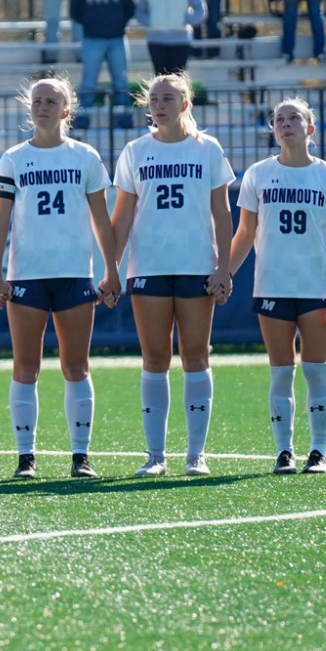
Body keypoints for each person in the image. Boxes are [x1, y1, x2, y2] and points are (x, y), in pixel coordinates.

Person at [0, 77, 121, 480]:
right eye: (37, 100)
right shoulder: (13, 159)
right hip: (26, 275)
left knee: (76, 366)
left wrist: (112, 270)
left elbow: (101, 221)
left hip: (75, 273)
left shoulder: (86, 157)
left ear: (66, 109)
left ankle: (81, 456)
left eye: (51, 100)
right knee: (25, 366)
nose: (42, 106)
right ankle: (26, 456)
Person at [111, 72, 235, 478]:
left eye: (168, 98)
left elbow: (222, 213)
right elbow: (123, 215)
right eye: (154, 98)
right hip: (148, 267)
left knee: (196, 356)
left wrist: (223, 267)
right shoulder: (135, 151)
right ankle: (155, 455)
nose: (159, 104)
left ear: (186, 104)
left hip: (197, 266)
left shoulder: (208, 149)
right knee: (155, 358)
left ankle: (196, 454)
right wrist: (112, 268)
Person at [227, 97, 326, 475]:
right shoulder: (258, 174)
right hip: (272, 286)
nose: (285, 123)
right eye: (279, 119)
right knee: (281, 370)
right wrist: (225, 273)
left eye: (294, 117)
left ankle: (319, 451)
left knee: (315, 369)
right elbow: (245, 233)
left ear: (310, 129)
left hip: (316, 287)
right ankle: (284, 450)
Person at [69, 0, 136, 113]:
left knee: (120, 81)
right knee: (89, 82)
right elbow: (74, 12)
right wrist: (90, 24)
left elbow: (131, 9)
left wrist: (118, 25)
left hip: (117, 40)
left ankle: (124, 116)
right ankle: (83, 117)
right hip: (92, 40)